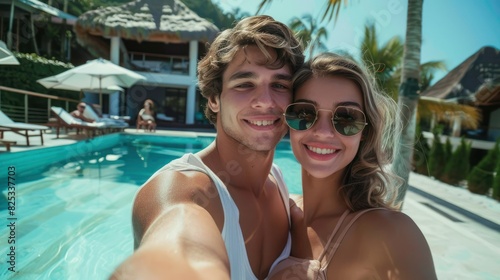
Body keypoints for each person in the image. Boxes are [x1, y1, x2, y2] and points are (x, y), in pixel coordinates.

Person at [111, 15, 304, 279]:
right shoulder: (180, 191)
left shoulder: (278, 182)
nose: (265, 101)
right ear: (214, 98)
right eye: (245, 84)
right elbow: (176, 244)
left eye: (280, 85)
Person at [268, 53, 437, 279]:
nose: (323, 132)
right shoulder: (278, 212)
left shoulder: (393, 234)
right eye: (305, 113)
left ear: (365, 132)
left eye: (346, 118)